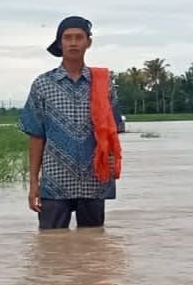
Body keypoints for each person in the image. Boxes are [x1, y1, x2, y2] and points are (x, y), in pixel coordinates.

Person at [18, 15, 125, 230]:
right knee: (51, 248)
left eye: (79, 37)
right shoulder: (43, 85)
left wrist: (113, 168)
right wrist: (33, 185)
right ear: (60, 43)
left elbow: (112, 133)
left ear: (89, 42)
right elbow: (36, 136)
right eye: (67, 38)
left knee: (94, 248)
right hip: (56, 182)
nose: (73, 42)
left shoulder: (103, 84)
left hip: (94, 180)